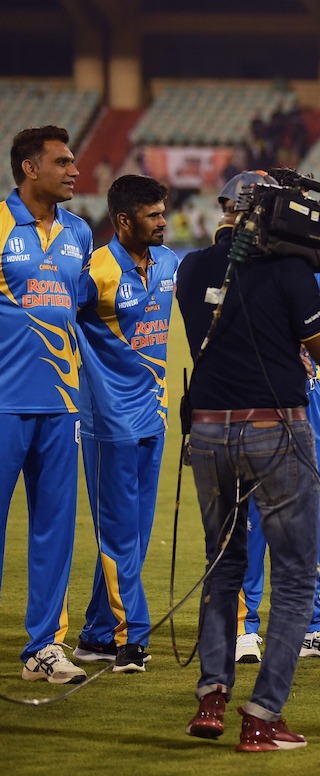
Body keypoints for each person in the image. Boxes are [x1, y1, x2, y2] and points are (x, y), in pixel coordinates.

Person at [176, 169, 320, 751]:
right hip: (277, 432)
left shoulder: (190, 268)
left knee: (222, 570)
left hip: (210, 436)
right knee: (294, 577)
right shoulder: (289, 272)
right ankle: (262, 716)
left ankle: (212, 698)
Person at [73, 174, 178, 674]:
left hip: (152, 418)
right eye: (153, 215)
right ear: (123, 221)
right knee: (118, 532)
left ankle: (94, 635)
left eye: (163, 212)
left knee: (133, 534)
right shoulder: (91, 272)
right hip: (106, 423)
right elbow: (47, 323)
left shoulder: (170, 264)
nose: (164, 222)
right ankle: (129, 637)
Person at [3, 126, 92, 684]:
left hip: (62, 404)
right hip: (4, 401)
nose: (74, 171)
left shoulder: (79, 233)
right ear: (30, 169)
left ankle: (44, 648)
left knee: (55, 529)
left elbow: (79, 311)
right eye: (62, 162)